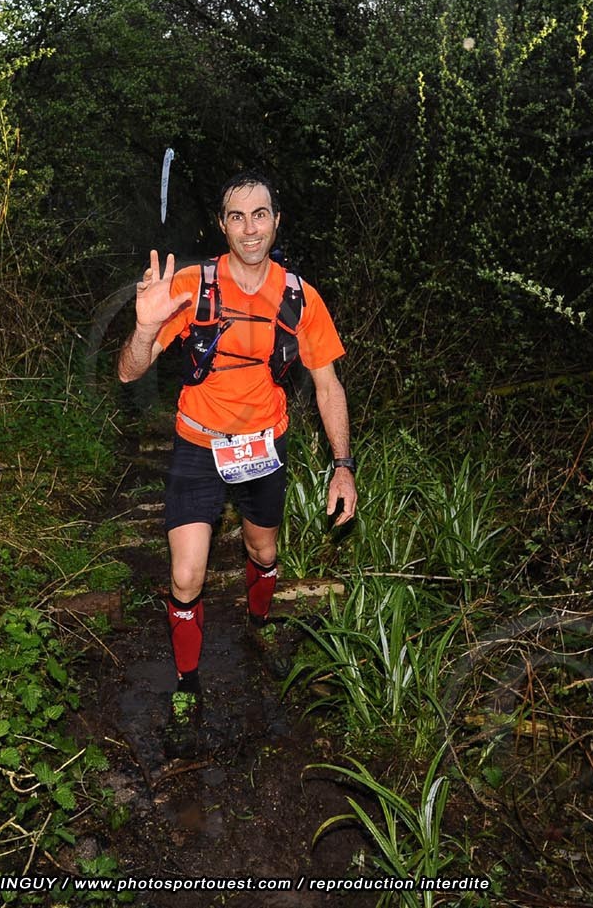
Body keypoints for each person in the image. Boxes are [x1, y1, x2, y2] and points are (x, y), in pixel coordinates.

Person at [117, 171, 358, 754]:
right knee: (186, 576)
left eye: (260, 214)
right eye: (237, 216)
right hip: (198, 443)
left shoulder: (301, 298)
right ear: (222, 226)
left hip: (263, 446)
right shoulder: (191, 287)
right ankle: (187, 682)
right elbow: (128, 372)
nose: (250, 228)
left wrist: (343, 464)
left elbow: (327, 385)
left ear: (277, 222)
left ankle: (258, 625)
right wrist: (145, 328)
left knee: (264, 552)